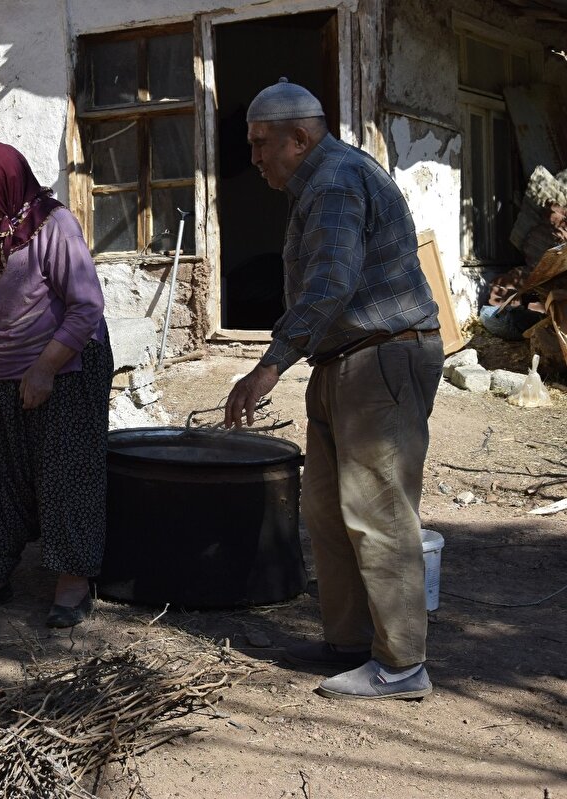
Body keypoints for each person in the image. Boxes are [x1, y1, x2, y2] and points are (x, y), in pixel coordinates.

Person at [223, 79, 444, 700]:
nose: (255, 158)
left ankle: (402, 666)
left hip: (382, 357)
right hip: (343, 361)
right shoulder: (315, 184)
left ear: (301, 136)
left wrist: (270, 365)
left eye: (262, 144)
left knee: (378, 513)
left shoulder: (336, 181)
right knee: (328, 510)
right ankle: (350, 643)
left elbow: (331, 284)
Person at [0, 140, 112, 628]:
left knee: (64, 474)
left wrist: (45, 369)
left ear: (8, 189)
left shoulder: (55, 228)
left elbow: (86, 307)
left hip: (66, 363)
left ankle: (72, 584)